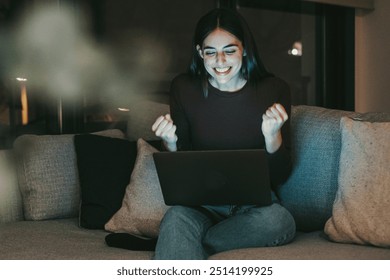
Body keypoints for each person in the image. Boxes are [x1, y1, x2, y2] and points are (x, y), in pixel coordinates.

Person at [151, 8, 296, 260]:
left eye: (229, 50)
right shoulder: (184, 88)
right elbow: (179, 171)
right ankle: (185, 240)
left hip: (255, 207)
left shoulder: (274, 90)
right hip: (201, 205)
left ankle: (190, 244)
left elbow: (280, 176)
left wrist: (273, 137)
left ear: (245, 49)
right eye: (211, 52)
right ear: (200, 53)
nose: (220, 61)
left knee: (279, 221)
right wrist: (170, 143)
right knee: (176, 218)